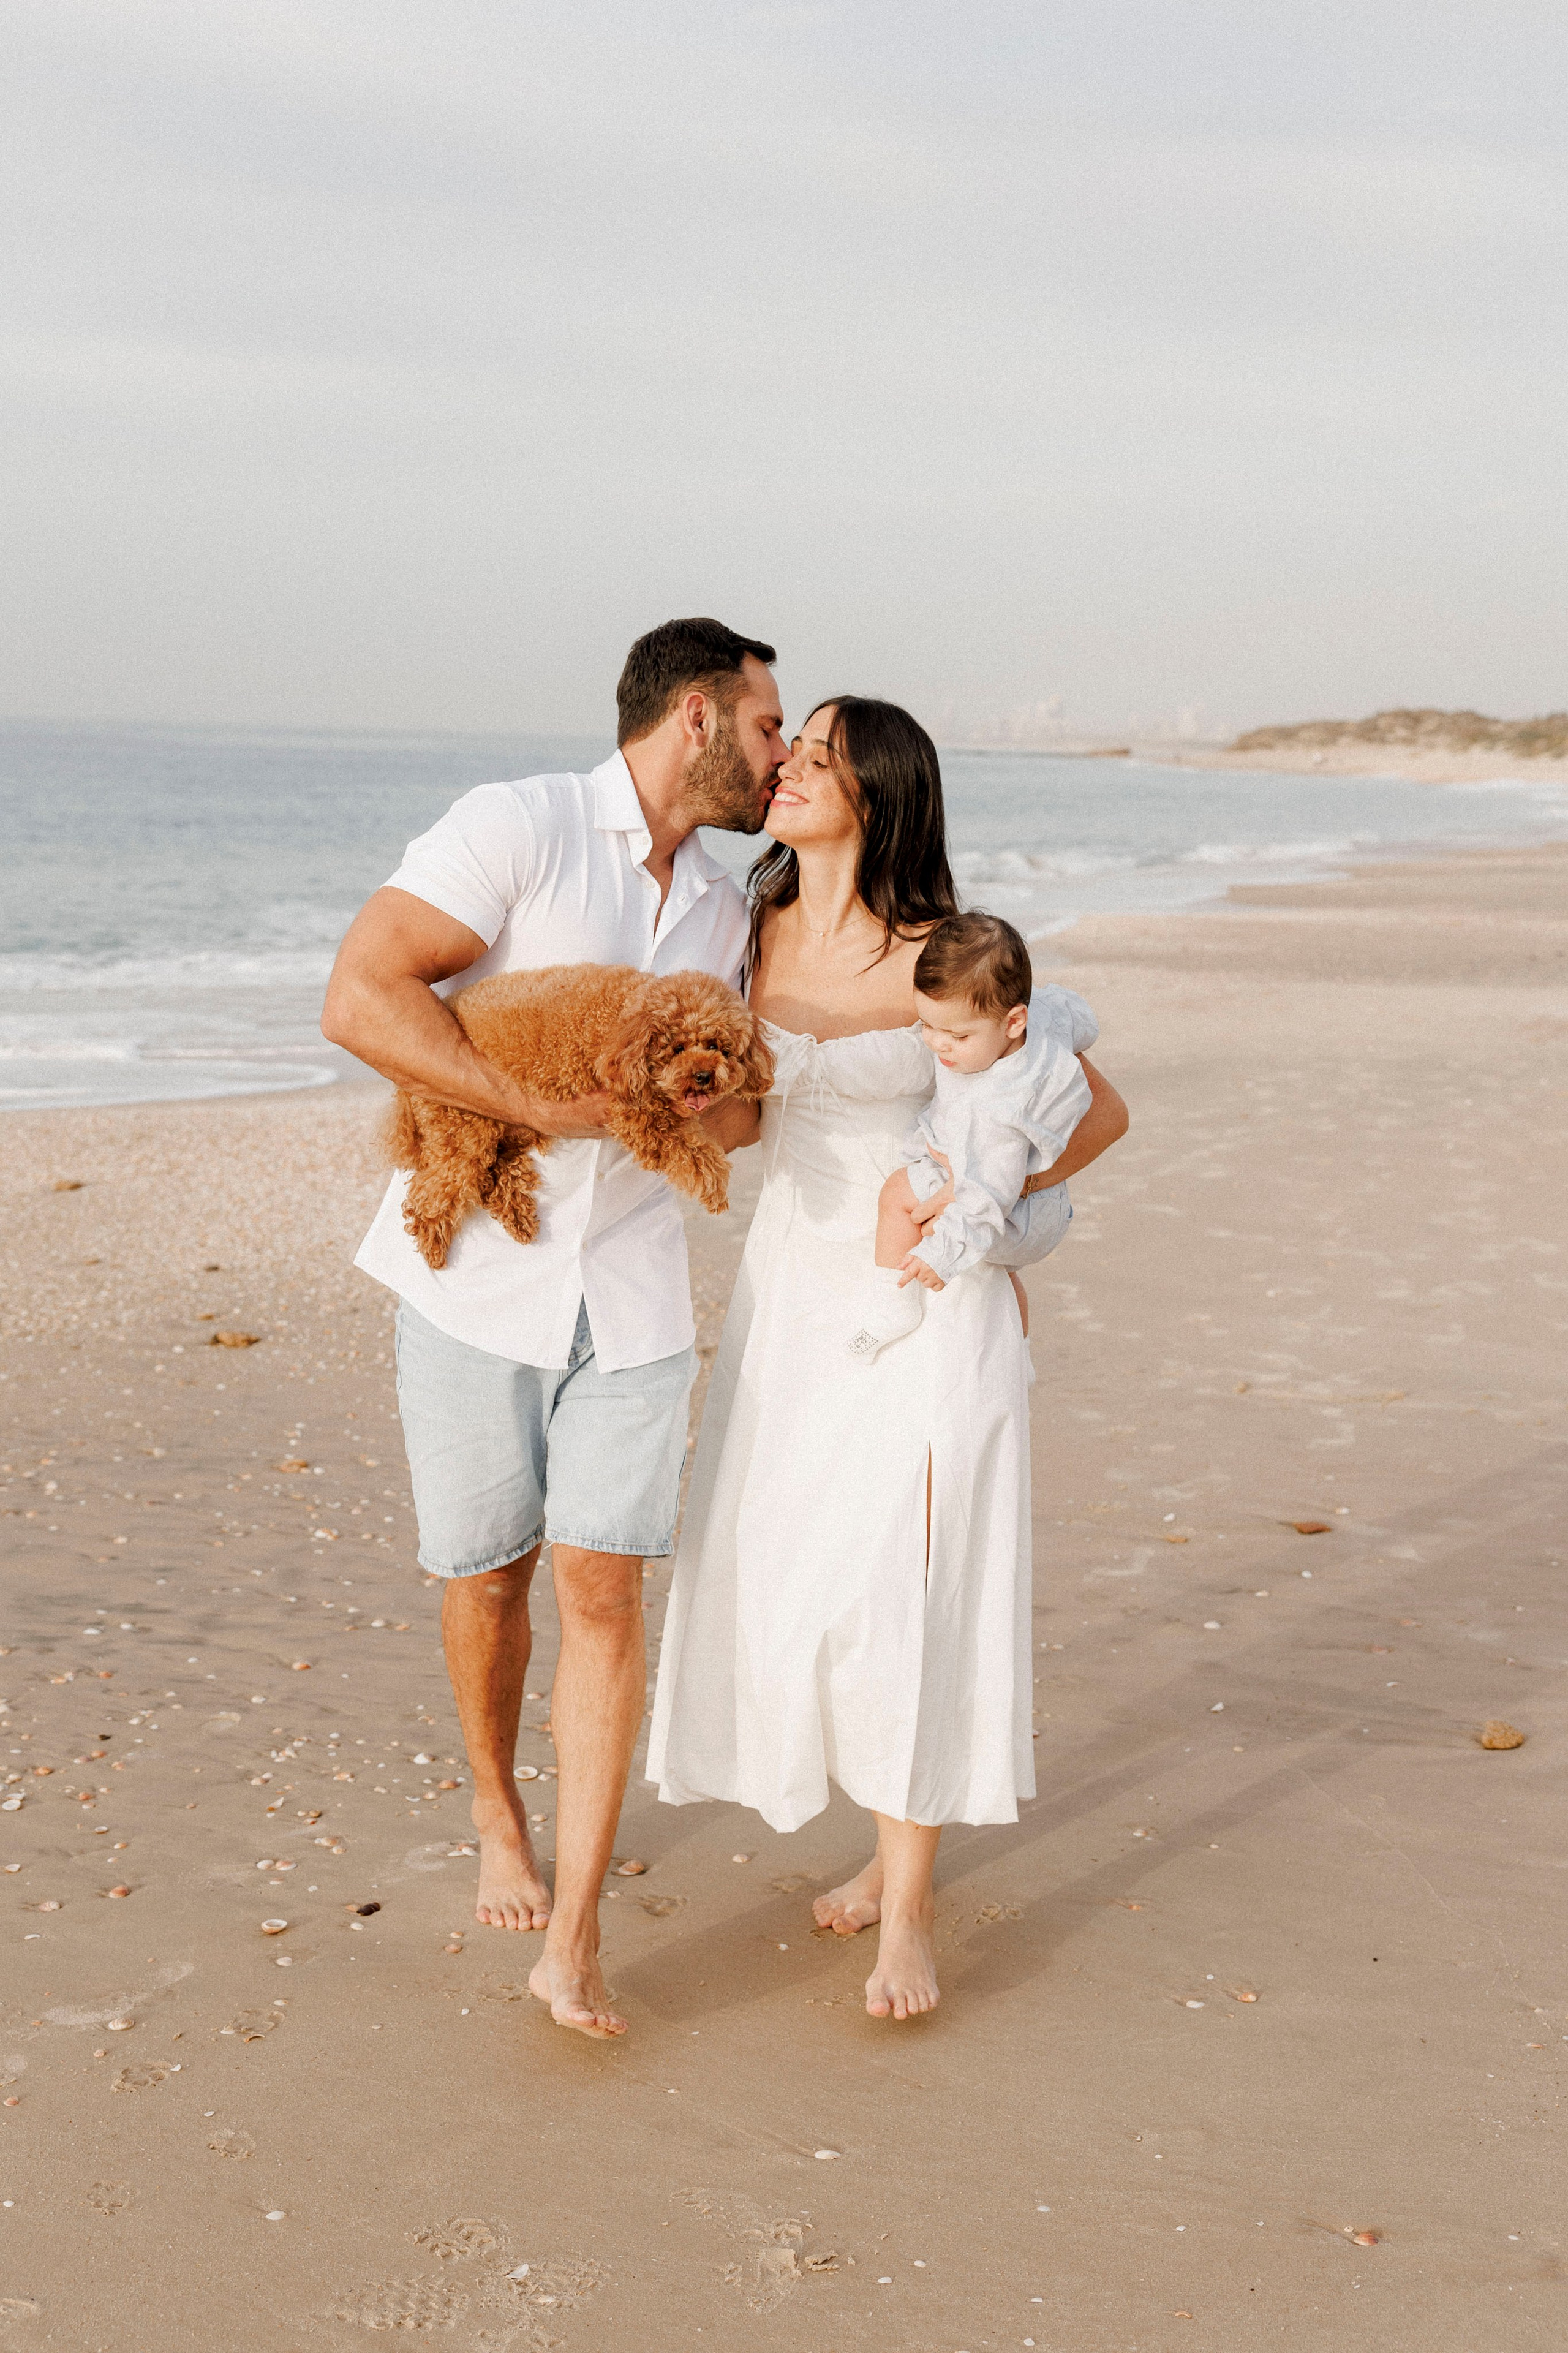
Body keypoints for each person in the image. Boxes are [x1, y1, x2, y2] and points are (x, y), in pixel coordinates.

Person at [321, 617, 785, 2039]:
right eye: (766, 726)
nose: (777, 756)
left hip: (632, 1296)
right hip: (474, 1274)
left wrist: (726, 1101)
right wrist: (535, 1107)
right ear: (697, 716)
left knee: (602, 1588)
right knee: (486, 1575)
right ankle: (493, 1807)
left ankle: (575, 1933)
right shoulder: (518, 826)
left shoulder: (725, 910)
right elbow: (359, 993)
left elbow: (736, 1113)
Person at [646, 697, 1128, 2020]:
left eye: (822, 754)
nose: (789, 766)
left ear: (883, 792)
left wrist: (983, 1222)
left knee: (910, 1585)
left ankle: (905, 1907)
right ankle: (876, 1846)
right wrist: (685, 1099)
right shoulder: (744, 931)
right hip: (792, 1297)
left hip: (924, 1308)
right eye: (790, 746)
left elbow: (1094, 1116)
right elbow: (746, 1127)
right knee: (802, 1576)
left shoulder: (941, 953)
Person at [846, 909, 1099, 1359]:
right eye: (928, 1025)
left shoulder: (999, 1107)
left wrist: (941, 1255)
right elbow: (1073, 1014)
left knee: (899, 1193)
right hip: (1048, 1204)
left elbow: (986, 1196)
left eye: (958, 1036)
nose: (938, 1044)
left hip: (1012, 1215)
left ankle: (893, 1305)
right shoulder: (1041, 1017)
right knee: (1004, 1280)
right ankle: (1020, 1356)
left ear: (1014, 1022)